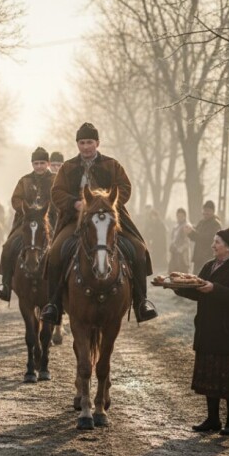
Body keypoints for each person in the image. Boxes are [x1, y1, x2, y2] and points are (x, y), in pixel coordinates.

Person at [41, 122, 158, 324]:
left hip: (110, 219)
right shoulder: (67, 167)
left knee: (138, 250)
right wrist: (75, 203)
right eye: (82, 142)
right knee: (55, 252)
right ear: (77, 144)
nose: (86, 146)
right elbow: (56, 192)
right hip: (76, 220)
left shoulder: (112, 165)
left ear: (97, 143)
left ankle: (141, 302)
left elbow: (125, 187)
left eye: (90, 142)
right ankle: (54, 304)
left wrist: (107, 204)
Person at [174, 228, 229, 436]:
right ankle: (213, 419)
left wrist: (214, 288)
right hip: (209, 329)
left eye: (217, 242)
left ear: (228, 246)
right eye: (214, 241)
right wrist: (175, 285)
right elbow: (197, 289)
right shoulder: (209, 266)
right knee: (211, 377)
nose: (213, 245)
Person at [0, 147, 54, 301]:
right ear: (32, 164)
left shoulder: (56, 179)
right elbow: (16, 199)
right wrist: (28, 209)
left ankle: (64, 289)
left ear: (48, 163)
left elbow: (61, 196)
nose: (39, 166)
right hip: (27, 221)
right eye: (36, 163)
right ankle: (6, 284)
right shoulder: (24, 180)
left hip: (53, 220)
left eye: (42, 163)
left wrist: (49, 208)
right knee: (8, 246)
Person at [187, 200, 222, 269]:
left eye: (208, 211)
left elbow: (209, 238)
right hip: (198, 258)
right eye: (204, 210)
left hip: (208, 257)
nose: (205, 213)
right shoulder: (201, 222)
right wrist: (189, 232)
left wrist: (193, 232)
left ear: (213, 211)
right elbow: (195, 237)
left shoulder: (216, 224)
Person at [169, 208, 193, 273]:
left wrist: (180, 249)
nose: (179, 218)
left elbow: (187, 242)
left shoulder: (187, 226)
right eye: (178, 216)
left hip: (183, 255)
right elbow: (173, 239)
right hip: (174, 254)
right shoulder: (176, 226)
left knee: (183, 275)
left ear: (185, 216)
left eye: (181, 216)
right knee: (172, 274)